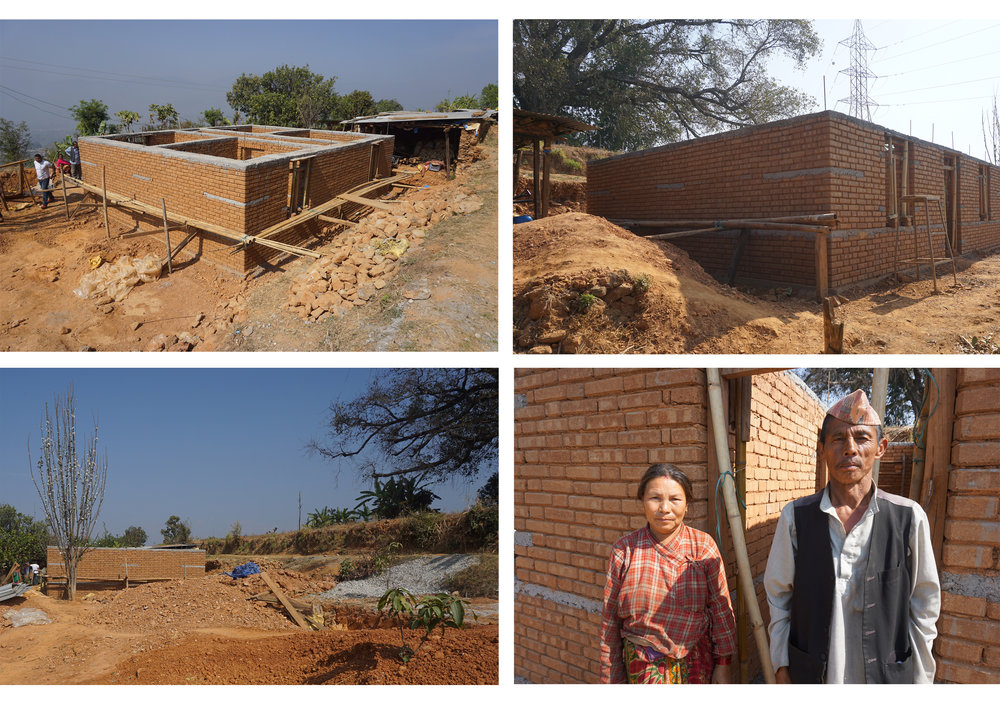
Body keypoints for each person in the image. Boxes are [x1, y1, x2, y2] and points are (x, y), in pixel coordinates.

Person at [763, 389, 940, 684]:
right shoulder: (796, 516)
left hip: (885, 676)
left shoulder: (908, 517)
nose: (850, 449)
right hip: (814, 675)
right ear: (822, 449)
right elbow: (779, 596)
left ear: (881, 447)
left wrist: (921, 681)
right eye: (837, 439)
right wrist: (781, 665)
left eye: (861, 438)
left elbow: (924, 605)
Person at [601, 463, 737, 684]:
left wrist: (723, 666)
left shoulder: (702, 547)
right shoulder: (624, 550)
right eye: (655, 498)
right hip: (641, 671)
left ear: (687, 505)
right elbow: (610, 621)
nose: (664, 508)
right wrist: (611, 680)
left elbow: (721, 610)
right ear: (642, 501)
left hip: (695, 668)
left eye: (675, 499)